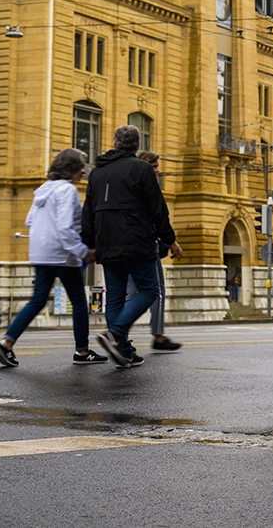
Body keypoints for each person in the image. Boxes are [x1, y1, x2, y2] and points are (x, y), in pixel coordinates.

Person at [0, 149, 107, 368]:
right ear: (72, 169)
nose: (84, 171)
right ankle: (82, 351)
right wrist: (83, 251)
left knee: (36, 301)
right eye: (81, 167)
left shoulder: (43, 190)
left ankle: (6, 342)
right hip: (61, 254)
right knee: (79, 302)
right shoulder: (68, 190)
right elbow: (65, 227)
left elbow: (29, 221)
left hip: (40, 253)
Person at [83, 125, 175, 368]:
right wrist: (170, 239)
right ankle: (116, 333)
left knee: (115, 296)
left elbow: (88, 212)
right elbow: (158, 209)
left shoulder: (97, 172)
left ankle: (122, 350)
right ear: (136, 146)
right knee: (149, 290)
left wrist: (90, 244)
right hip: (136, 241)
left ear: (115, 143)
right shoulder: (142, 169)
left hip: (106, 242)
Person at [124, 150, 183, 352]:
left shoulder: (129, 185)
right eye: (155, 166)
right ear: (145, 166)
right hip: (147, 246)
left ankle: (119, 334)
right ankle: (156, 336)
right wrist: (171, 241)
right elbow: (159, 217)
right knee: (156, 291)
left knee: (131, 293)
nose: (159, 170)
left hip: (128, 245)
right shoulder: (148, 186)